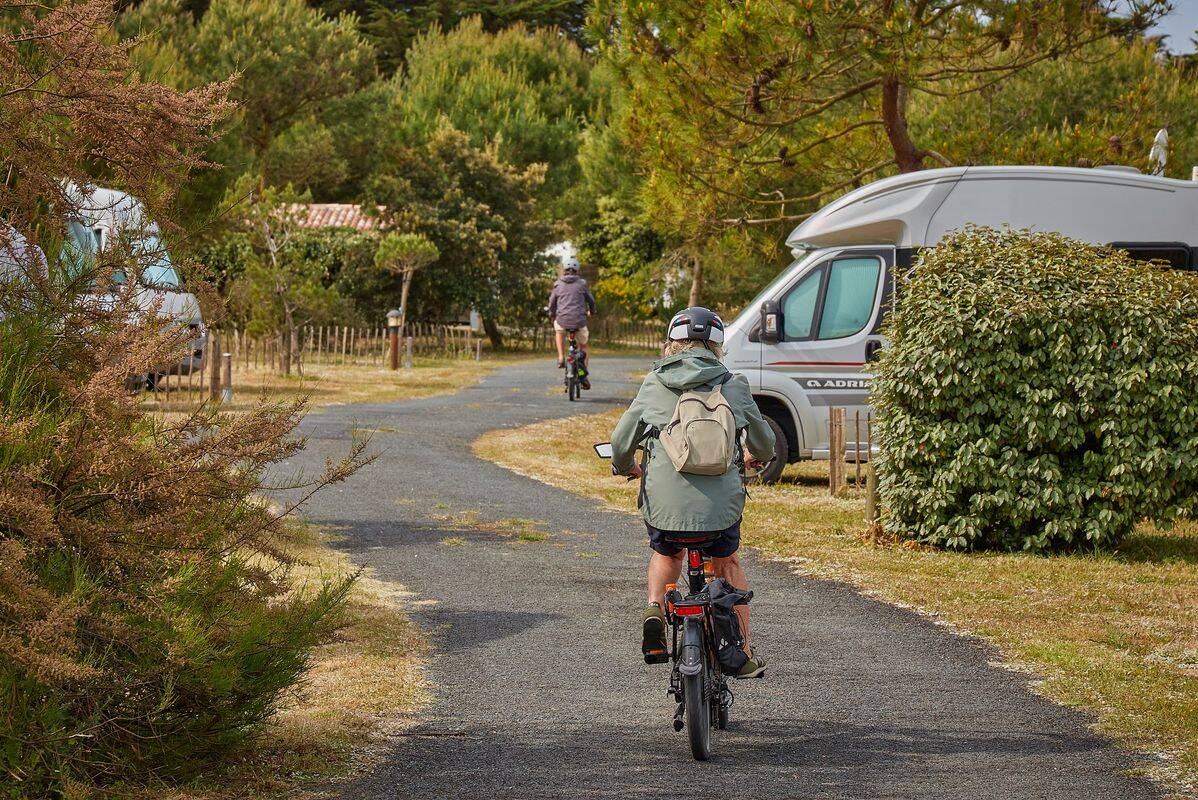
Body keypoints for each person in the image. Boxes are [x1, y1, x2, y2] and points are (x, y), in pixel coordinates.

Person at [609, 307, 775, 679]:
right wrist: (754, 456)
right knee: (727, 563)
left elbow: (621, 442)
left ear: (672, 343)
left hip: (666, 507)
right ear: (717, 346)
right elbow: (764, 443)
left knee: (666, 555)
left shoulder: (654, 382)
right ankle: (742, 649)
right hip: (721, 512)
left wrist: (625, 466)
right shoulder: (734, 384)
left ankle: (655, 610)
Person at [547, 257, 596, 373]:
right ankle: (582, 373)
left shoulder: (558, 284)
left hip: (562, 320)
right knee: (583, 346)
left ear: (564, 270)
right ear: (577, 271)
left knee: (559, 332)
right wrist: (592, 312)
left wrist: (552, 314)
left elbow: (552, 303)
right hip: (579, 321)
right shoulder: (582, 284)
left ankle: (560, 357)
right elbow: (591, 301)